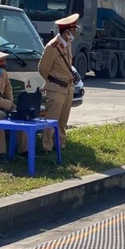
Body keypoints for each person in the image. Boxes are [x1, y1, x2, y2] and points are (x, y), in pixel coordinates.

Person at [38, 13, 78, 152]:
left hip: (67, 88)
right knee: (51, 120)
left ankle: (59, 145)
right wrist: (53, 81)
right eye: (74, 30)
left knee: (63, 121)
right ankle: (47, 147)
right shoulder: (52, 46)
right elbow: (43, 68)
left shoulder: (67, 44)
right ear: (67, 31)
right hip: (55, 88)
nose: (75, 32)